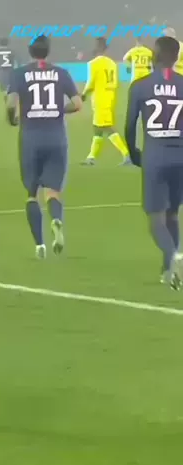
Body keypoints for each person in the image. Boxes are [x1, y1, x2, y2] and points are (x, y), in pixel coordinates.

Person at [6, 35, 82, 259]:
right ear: (48, 52)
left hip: (31, 138)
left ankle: (39, 245)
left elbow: (11, 103)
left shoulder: (19, 74)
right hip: (56, 138)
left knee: (32, 193)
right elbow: (77, 104)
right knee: (53, 191)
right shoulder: (61, 73)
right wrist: (58, 110)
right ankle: (56, 219)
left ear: (30, 52)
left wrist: (12, 118)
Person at [125, 35, 183, 289]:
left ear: (154, 55)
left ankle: (174, 257)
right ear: (177, 57)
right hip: (180, 156)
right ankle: (168, 271)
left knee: (155, 218)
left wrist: (133, 153)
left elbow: (130, 126)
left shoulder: (140, 86)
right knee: (173, 213)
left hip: (155, 156)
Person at [81, 37, 131, 166]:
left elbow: (91, 82)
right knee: (97, 128)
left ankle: (126, 154)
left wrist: (84, 94)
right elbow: (116, 82)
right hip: (110, 97)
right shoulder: (112, 63)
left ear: (97, 47)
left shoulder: (93, 63)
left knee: (106, 127)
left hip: (100, 99)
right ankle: (91, 157)